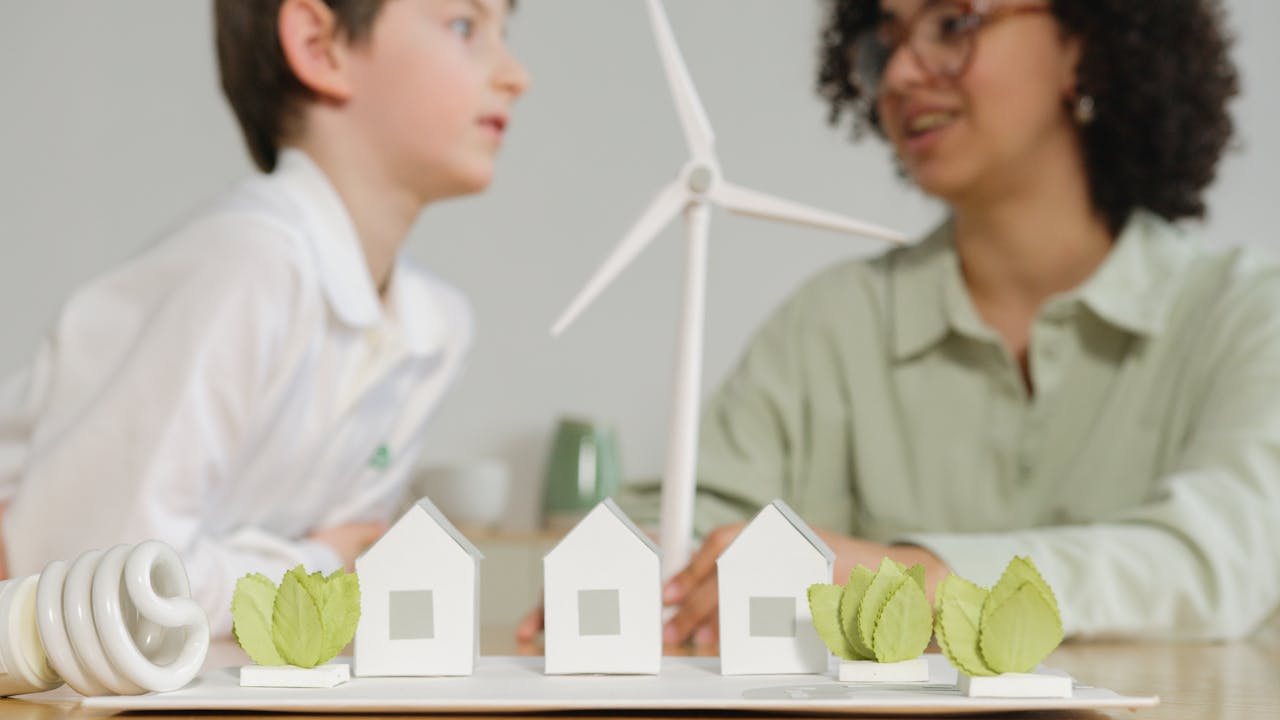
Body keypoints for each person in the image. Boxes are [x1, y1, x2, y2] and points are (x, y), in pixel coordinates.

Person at [514, 0, 1280, 647]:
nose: (905, 75)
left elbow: (1217, 561)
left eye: (951, 23)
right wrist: (641, 565)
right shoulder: (833, 324)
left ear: (1087, 44)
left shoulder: (1247, 315)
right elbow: (698, 512)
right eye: (886, 41)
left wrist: (914, 581)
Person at [0, 0, 528, 636]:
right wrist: (319, 561)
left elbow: (334, 589)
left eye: (507, 30)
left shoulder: (434, 327)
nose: (516, 74)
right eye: (465, 27)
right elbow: (112, 592)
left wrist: (311, 573)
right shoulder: (253, 262)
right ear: (319, 45)